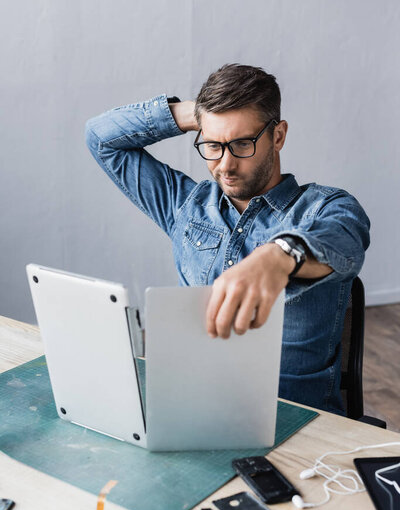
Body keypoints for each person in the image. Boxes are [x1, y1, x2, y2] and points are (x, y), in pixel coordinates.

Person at [85, 63, 370, 414]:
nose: (225, 165)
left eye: (242, 144)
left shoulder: (327, 207)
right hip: (196, 404)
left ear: (277, 136)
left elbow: (344, 243)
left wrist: (279, 255)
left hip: (294, 419)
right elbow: (101, 138)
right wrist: (196, 113)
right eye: (212, 145)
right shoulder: (185, 207)